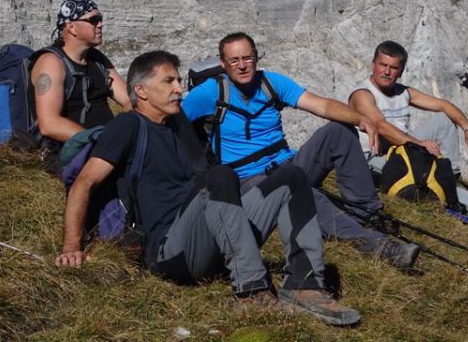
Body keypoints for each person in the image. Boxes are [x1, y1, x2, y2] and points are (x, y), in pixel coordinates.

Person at [56, 50, 361, 326]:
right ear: (141, 91)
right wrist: (72, 247)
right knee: (220, 177)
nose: (179, 88)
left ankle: (305, 286)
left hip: (212, 237)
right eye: (169, 81)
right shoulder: (128, 126)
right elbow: (85, 182)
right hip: (169, 251)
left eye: (178, 80)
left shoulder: (179, 126)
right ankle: (252, 292)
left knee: (292, 177)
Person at [182, 32, 419, 269]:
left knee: (339, 131)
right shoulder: (207, 94)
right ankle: (375, 245)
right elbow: (173, 123)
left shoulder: (271, 83)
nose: (242, 66)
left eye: (247, 58)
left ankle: (368, 215)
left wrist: (361, 119)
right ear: (223, 64)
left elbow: (321, 105)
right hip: (248, 180)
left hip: (287, 163)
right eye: (234, 60)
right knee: (301, 190)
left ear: (256, 57)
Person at [349, 40, 468, 220]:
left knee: (444, 119)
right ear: (373, 65)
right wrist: (419, 144)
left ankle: (449, 177)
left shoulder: (403, 92)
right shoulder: (362, 94)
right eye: (382, 65)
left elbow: (444, 105)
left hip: (402, 150)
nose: (386, 71)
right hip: (373, 158)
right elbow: (381, 127)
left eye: (393, 67)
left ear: (400, 71)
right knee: (421, 173)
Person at [31, 0, 129, 152]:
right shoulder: (50, 63)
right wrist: (97, 140)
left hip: (107, 146)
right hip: (72, 150)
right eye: (94, 20)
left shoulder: (97, 60)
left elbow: (130, 100)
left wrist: (124, 131)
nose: (100, 24)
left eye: (100, 19)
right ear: (72, 27)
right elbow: (49, 124)